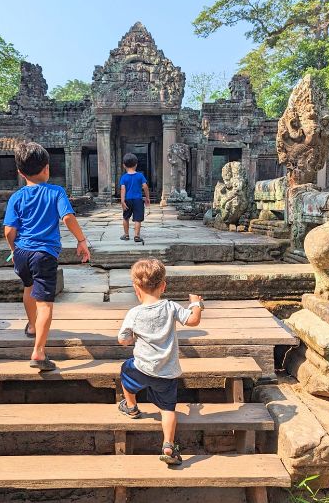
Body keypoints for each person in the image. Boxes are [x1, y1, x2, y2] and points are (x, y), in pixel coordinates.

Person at [4, 141, 90, 371]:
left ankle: (32, 327)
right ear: (47, 169)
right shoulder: (56, 192)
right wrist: (81, 241)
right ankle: (39, 352)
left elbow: (9, 231)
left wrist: (14, 250)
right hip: (44, 253)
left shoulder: (16, 197)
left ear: (20, 173)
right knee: (45, 303)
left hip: (21, 252)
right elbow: (68, 217)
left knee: (28, 288)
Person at [117, 258, 204, 466]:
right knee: (168, 409)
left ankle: (131, 406)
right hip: (167, 373)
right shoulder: (171, 307)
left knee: (125, 372)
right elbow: (193, 320)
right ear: (163, 286)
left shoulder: (134, 313)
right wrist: (196, 304)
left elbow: (123, 339)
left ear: (136, 288)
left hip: (141, 368)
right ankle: (168, 446)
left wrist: (130, 339)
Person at [119, 153, 151, 243]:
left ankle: (126, 235)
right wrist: (147, 197)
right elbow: (145, 186)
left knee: (126, 217)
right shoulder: (140, 176)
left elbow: (123, 189)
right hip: (138, 200)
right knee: (138, 218)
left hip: (127, 200)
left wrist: (122, 201)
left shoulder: (124, 177)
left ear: (124, 165)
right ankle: (136, 236)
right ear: (136, 164)